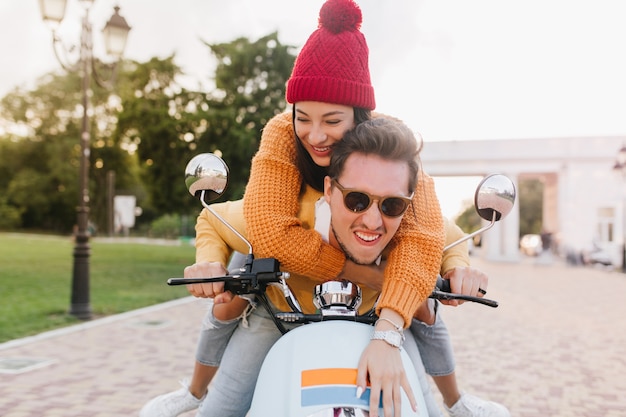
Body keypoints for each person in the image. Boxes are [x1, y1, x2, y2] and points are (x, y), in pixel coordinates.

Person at [140, 0, 509, 416]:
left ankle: (454, 399)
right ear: (330, 189)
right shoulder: (282, 139)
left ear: (361, 116)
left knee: (424, 324)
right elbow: (263, 227)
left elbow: (430, 234)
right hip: (285, 306)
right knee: (222, 390)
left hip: (370, 312)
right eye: (303, 117)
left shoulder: (391, 153)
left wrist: (394, 325)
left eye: (333, 121)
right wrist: (364, 271)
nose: (315, 136)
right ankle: (194, 391)